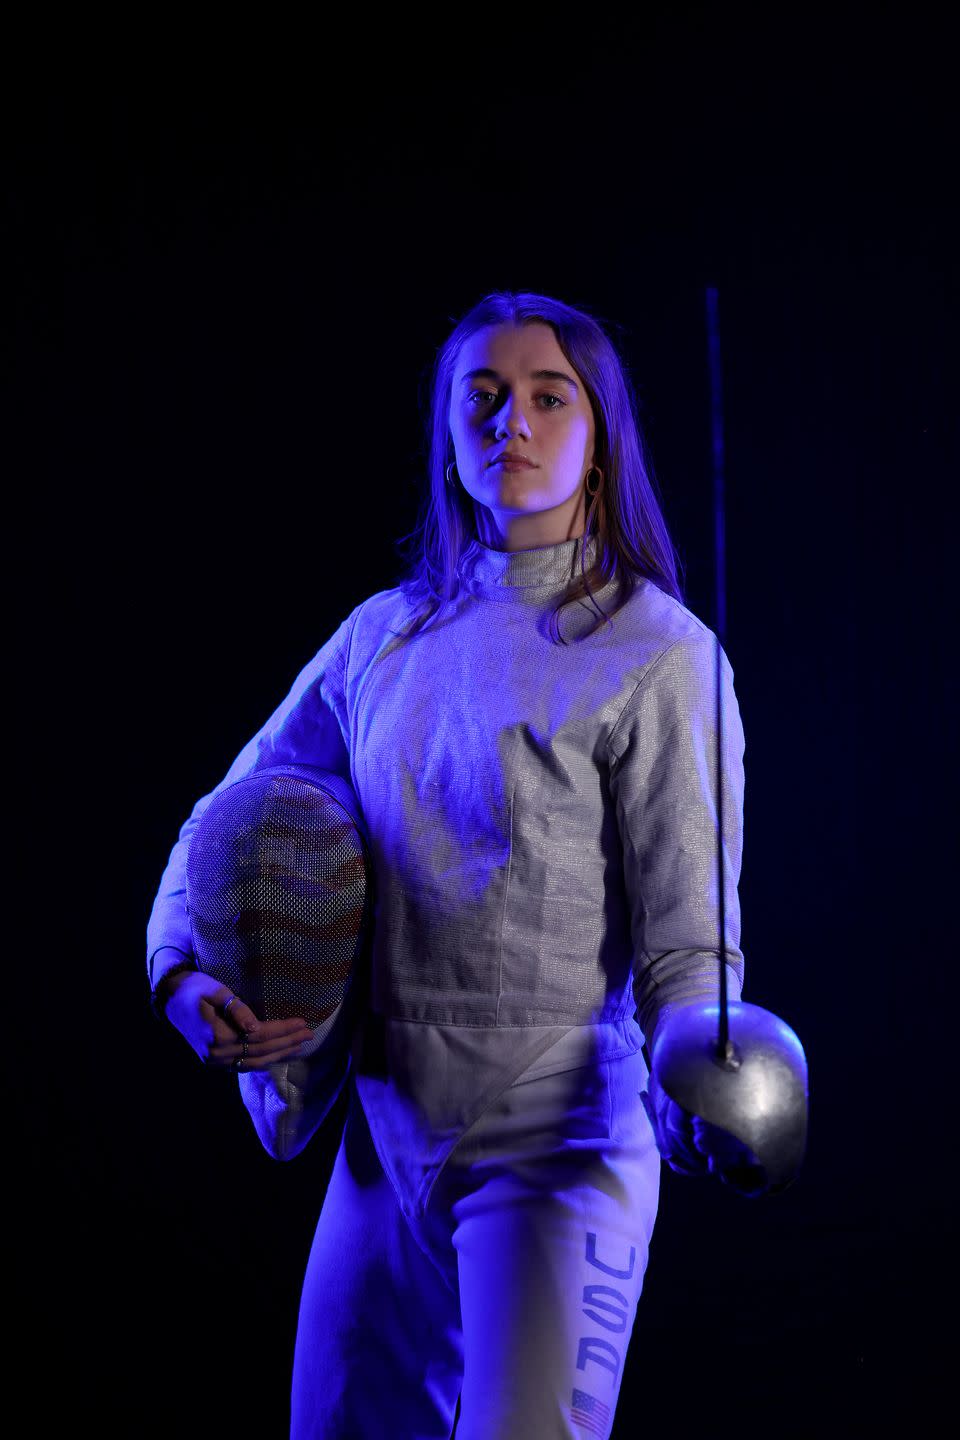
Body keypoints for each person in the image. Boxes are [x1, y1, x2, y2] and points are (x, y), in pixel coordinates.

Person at [146, 290, 761, 1439]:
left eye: (546, 395)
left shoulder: (662, 654)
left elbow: (690, 950)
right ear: (445, 429)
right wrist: (183, 974)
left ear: (599, 433)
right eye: (480, 397)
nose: (510, 422)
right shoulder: (384, 637)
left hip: (556, 1139)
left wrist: (709, 1064)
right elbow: (224, 815)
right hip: (383, 1135)